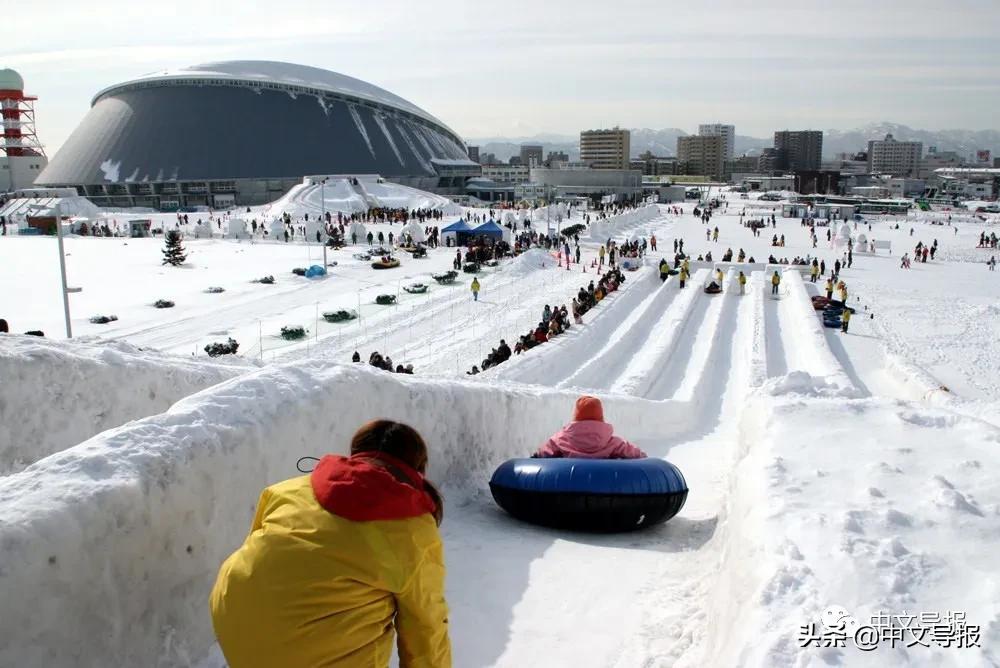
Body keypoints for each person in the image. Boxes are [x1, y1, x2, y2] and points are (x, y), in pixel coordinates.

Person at [210, 420, 450, 668]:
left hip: (235, 623)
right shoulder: (412, 529)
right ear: (417, 468)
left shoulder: (286, 489)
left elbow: (262, 554)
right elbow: (426, 627)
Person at [534, 396, 646, 459]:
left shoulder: (560, 439)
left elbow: (542, 454)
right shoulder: (613, 443)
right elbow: (637, 454)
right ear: (601, 417)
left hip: (569, 487)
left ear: (576, 417)